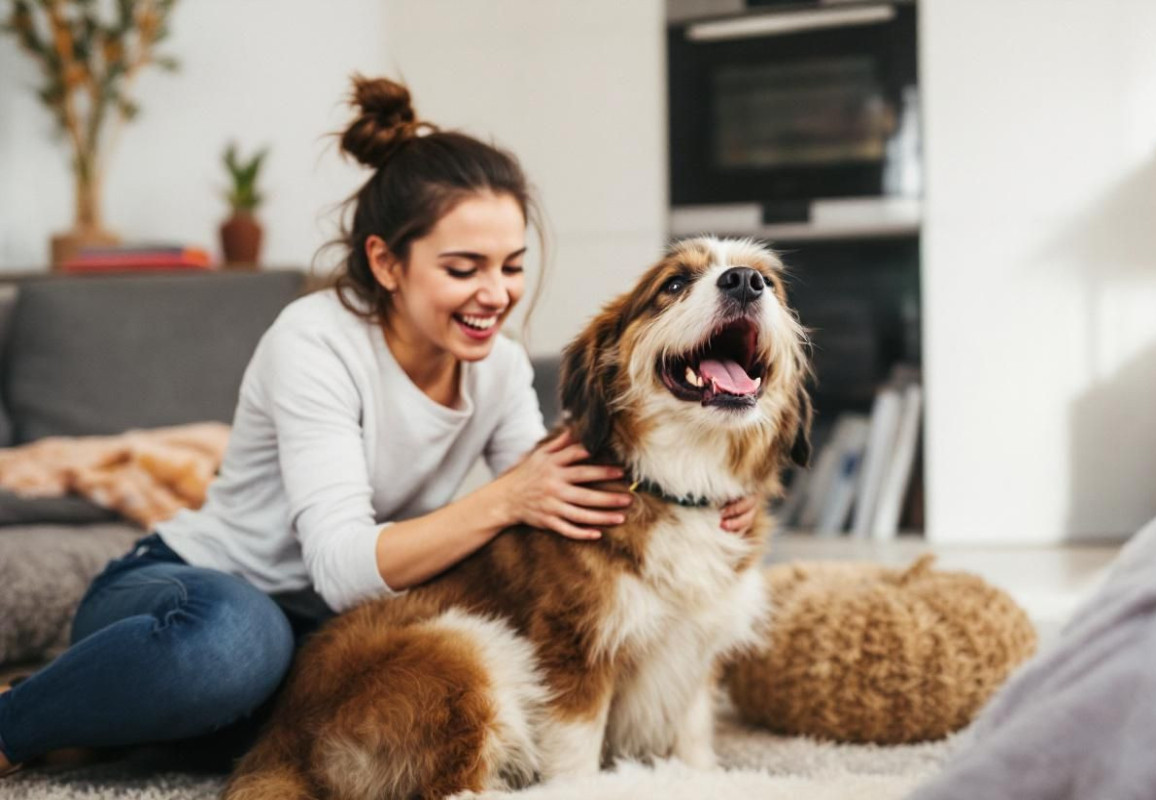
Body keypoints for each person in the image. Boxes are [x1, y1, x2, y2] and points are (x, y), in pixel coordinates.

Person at [0, 75, 758, 777]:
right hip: (196, 591)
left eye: (511, 266)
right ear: (387, 263)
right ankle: (21, 716)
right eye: (464, 268)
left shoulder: (493, 366)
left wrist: (699, 502)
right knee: (236, 651)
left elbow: (557, 498)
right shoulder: (314, 342)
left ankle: (124, 723)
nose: (496, 295)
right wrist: (502, 498)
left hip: (331, 630)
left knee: (334, 700)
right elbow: (342, 565)